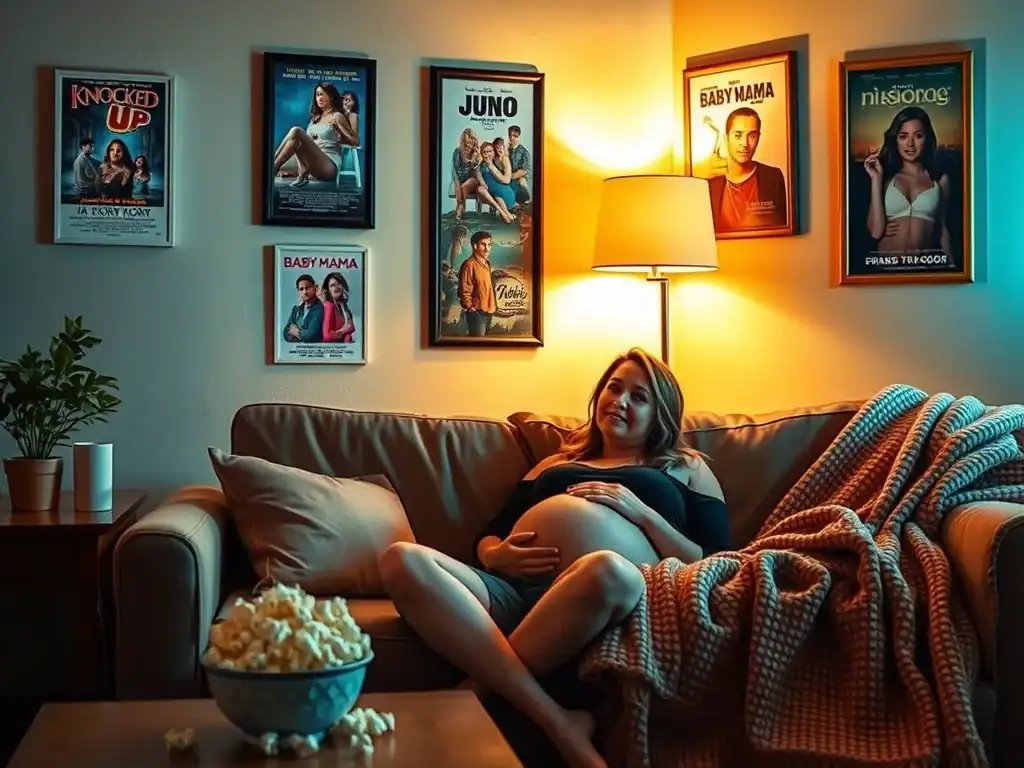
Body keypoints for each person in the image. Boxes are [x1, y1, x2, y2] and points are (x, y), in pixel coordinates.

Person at [379, 347, 731, 768]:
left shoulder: (686, 467)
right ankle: (560, 721)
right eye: (613, 388)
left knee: (608, 569)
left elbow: (714, 559)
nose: (619, 401)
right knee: (400, 558)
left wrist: (642, 514)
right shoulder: (556, 461)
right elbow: (488, 534)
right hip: (517, 594)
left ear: (661, 414)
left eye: (639, 397)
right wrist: (498, 555)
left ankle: (473, 691)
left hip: (606, 597)